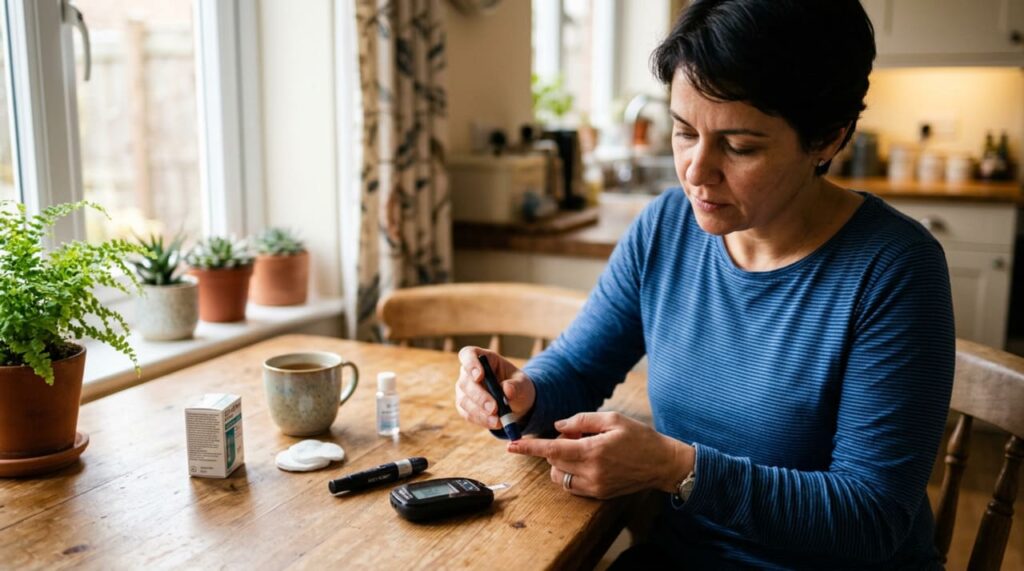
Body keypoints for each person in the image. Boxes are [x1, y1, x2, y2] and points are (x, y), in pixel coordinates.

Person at [454, 0, 955, 568]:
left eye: (740, 146)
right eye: (683, 131)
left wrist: (677, 468)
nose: (696, 170)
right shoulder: (667, 226)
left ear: (828, 138)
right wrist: (524, 393)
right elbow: (578, 368)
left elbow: (869, 519)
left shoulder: (895, 269)